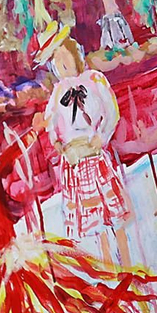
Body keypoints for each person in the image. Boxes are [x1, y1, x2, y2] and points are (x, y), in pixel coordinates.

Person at [41, 41, 134, 267]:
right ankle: (110, 267)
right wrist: (58, 144)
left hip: (94, 153)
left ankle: (128, 264)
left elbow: (112, 112)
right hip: (75, 160)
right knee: (94, 221)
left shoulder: (94, 80)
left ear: (76, 55)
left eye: (65, 55)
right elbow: (50, 123)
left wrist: (101, 136)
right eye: (57, 59)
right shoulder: (58, 92)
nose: (62, 62)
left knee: (112, 212)